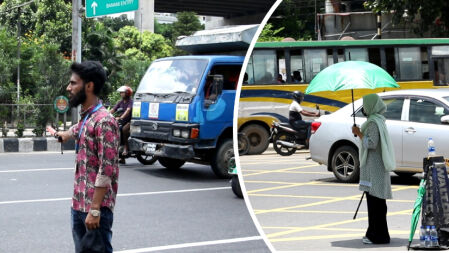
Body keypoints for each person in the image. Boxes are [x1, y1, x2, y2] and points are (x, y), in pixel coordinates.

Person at [56, 61, 119, 253]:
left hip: (94, 209)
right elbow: (77, 130)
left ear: (89, 86)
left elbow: (106, 169)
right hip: (78, 204)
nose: (69, 88)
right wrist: (63, 135)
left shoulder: (105, 121)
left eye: (73, 83)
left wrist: (95, 209)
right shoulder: (87, 117)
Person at [352, 93, 395, 245]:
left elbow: (371, 143)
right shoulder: (379, 120)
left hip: (374, 168)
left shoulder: (372, 123)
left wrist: (359, 133)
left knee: (375, 203)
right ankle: (377, 233)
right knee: (378, 202)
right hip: (377, 167)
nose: (363, 108)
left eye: (365, 105)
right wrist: (360, 134)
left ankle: (377, 235)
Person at [110, 85, 133, 164]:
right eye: (120, 93)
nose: (121, 94)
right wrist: (104, 114)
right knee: (116, 129)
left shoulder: (131, 102)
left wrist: (121, 117)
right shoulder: (120, 102)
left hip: (130, 121)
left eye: (122, 92)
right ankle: (121, 157)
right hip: (122, 121)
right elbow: (113, 109)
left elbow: (128, 111)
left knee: (124, 130)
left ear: (127, 93)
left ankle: (126, 148)